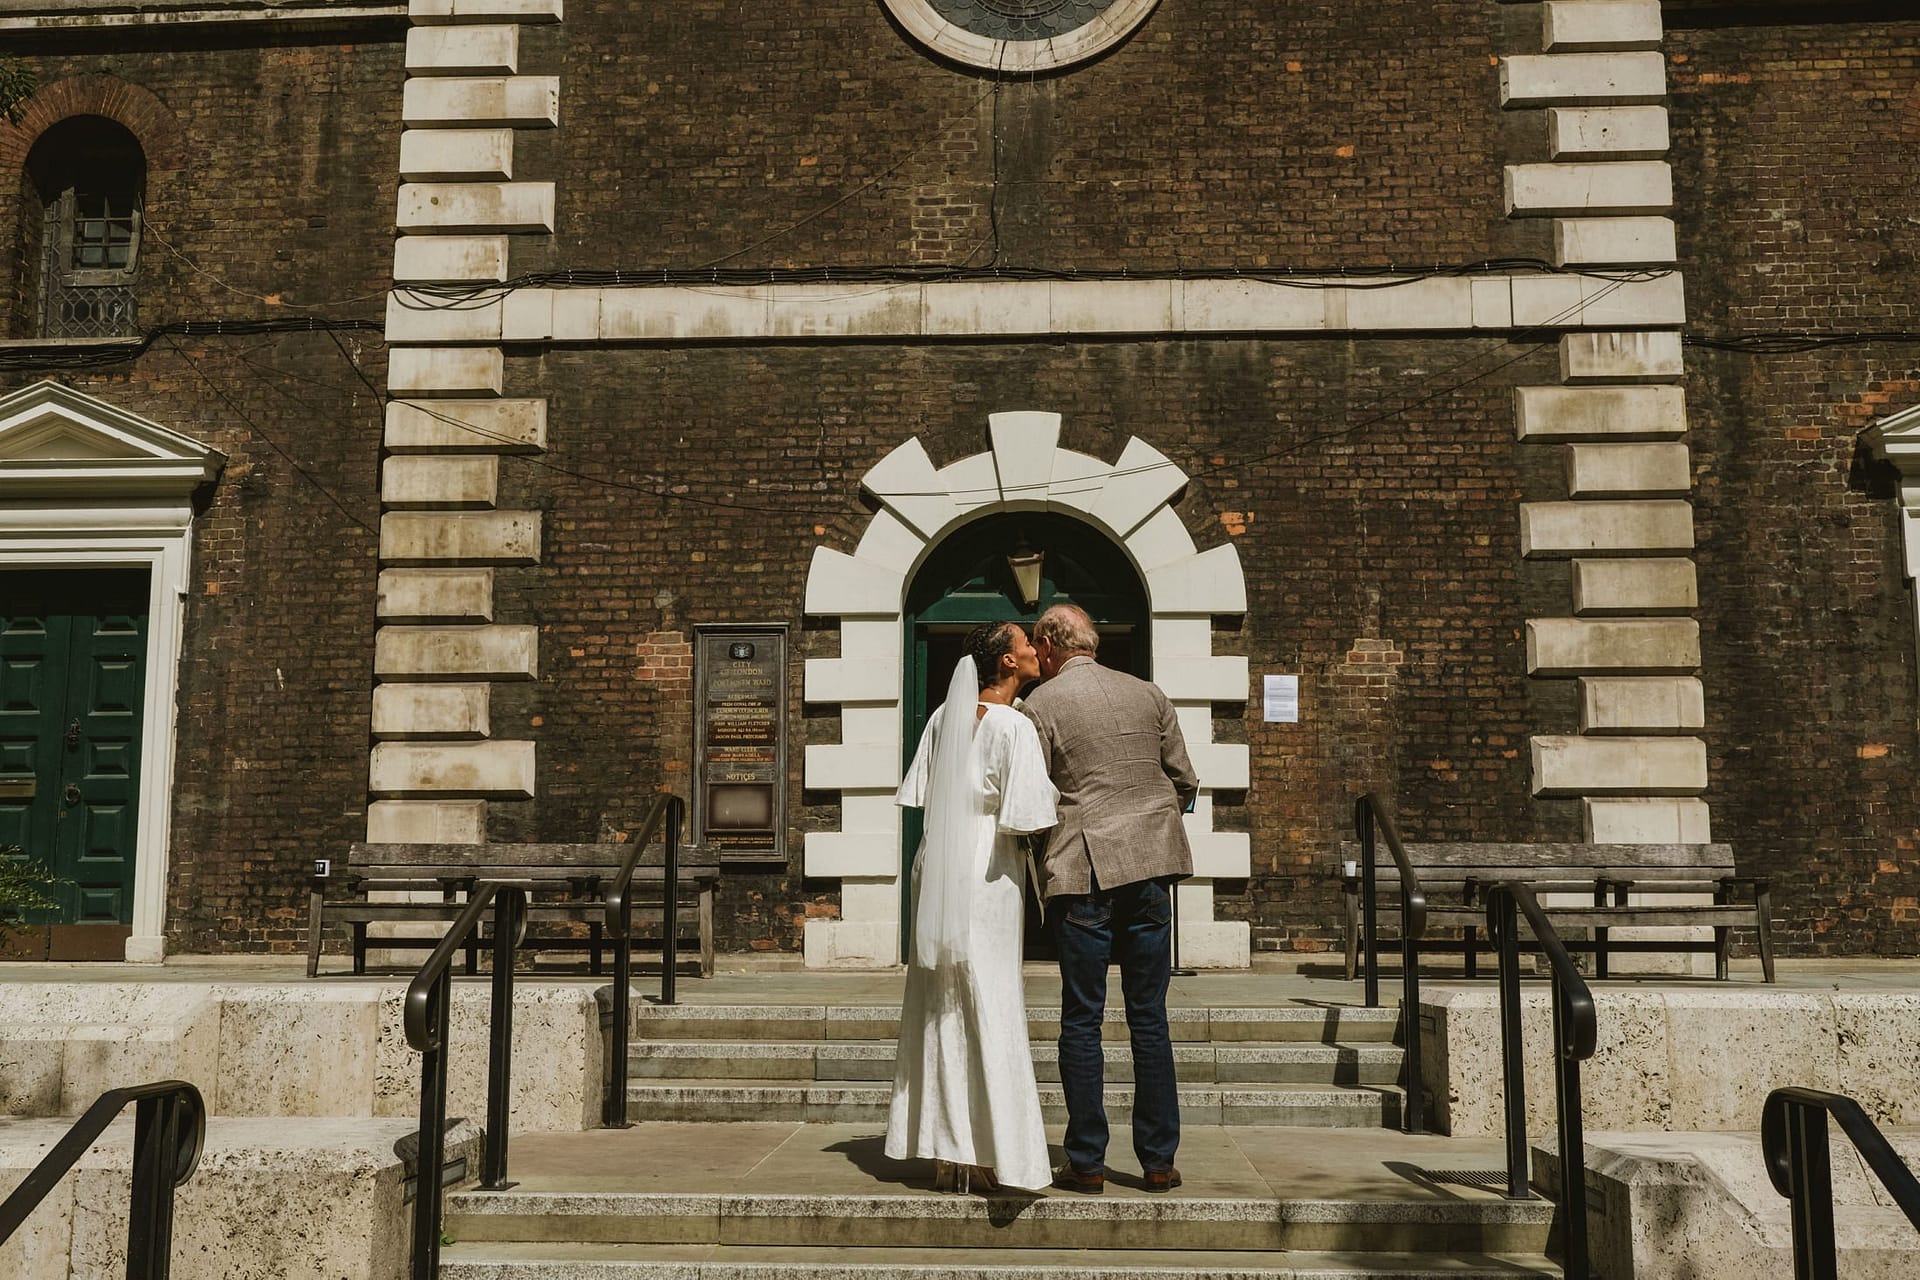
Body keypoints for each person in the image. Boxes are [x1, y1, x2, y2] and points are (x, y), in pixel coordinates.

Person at [1021, 602, 1198, 1195]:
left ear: (1048, 645)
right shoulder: (1149, 693)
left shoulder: (1040, 705)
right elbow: (1185, 780)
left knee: (1083, 1019)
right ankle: (1158, 1161)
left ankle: (1088, 1162)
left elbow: (1031, 794)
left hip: (1084, 871)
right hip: (1150, 868)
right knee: (1150, 1018)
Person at [885, 621, 1058, 1193]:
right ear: (1008, 663)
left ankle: (945, 1147)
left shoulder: (941, 717)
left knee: (940, 999)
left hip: (938, 862)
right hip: (988, 864)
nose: (1036, 650)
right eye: (1026, 644)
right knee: (991, 998)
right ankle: (993, 1150)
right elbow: (1029, 815)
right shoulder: (1014, 725)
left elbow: (920, 794)